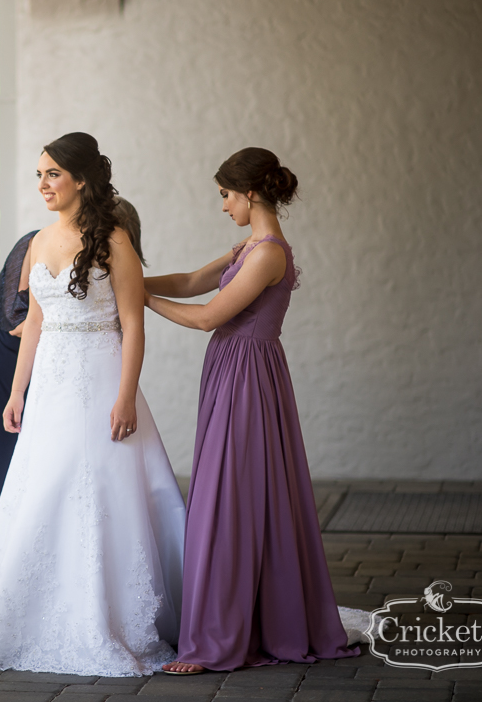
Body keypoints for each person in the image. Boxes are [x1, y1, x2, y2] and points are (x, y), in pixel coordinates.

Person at [0, 133, 185, 676]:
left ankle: (117, 619)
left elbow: (133, 323)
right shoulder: (38, 241)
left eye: (52, 174)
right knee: (41, 493)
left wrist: (126, 395)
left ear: (81, 179)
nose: (42, 185)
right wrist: (16, 392)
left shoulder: (115, 241)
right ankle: (34, 618)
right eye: (38, 175)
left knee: (107, 494)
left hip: (103, 381)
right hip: (52, 390)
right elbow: (34, 320)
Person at [143, 147, 359, 674]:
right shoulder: (251, 246)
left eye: (225, 195)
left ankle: (218, 638)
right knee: (235, 493)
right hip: (234, 372)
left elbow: (206, 316)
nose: (222, 206)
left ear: (252, 192)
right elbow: (194, 282)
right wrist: (134, 281)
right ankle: (237, 621)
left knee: (228, 498)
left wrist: (137, 300)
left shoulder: (267, 254)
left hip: (247, 380)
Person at [0, 198, 144, 617]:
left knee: (48, 485)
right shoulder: (39, 241)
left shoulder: (108, 244)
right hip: (6, 355)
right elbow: (22, 320)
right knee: (2, 480)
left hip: (51, 361)